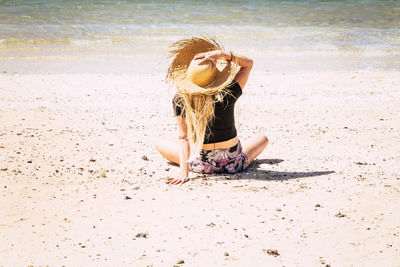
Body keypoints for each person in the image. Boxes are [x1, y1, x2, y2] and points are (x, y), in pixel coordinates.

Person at [155, 37, 268, 185]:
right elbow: (248, 64)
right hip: (233, 163)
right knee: (263, 139)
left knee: (159, 143)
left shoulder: (181, 99)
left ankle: (192, 164)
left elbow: (184, 138)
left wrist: (184, 173)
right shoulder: (227, 93)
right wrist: (221, 54)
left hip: (202, 165)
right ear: (214, 76)